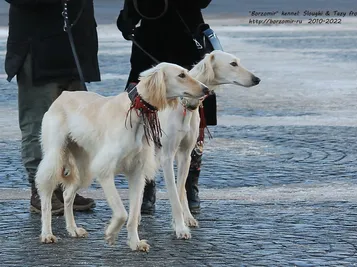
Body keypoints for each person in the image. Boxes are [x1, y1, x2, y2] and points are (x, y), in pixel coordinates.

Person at [117, 0, 215, 214]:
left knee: (193, 120)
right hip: (150, 48)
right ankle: (147, 184)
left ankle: (190, 186)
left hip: (187, 44)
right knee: (143, 119)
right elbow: (131, 12)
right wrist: (127, 20)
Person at [5, 0, 101, 215]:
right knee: (39, 125)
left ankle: (67, 187)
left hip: (74, 47)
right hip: (37, 51)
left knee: (75, 128)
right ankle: (41, 189)